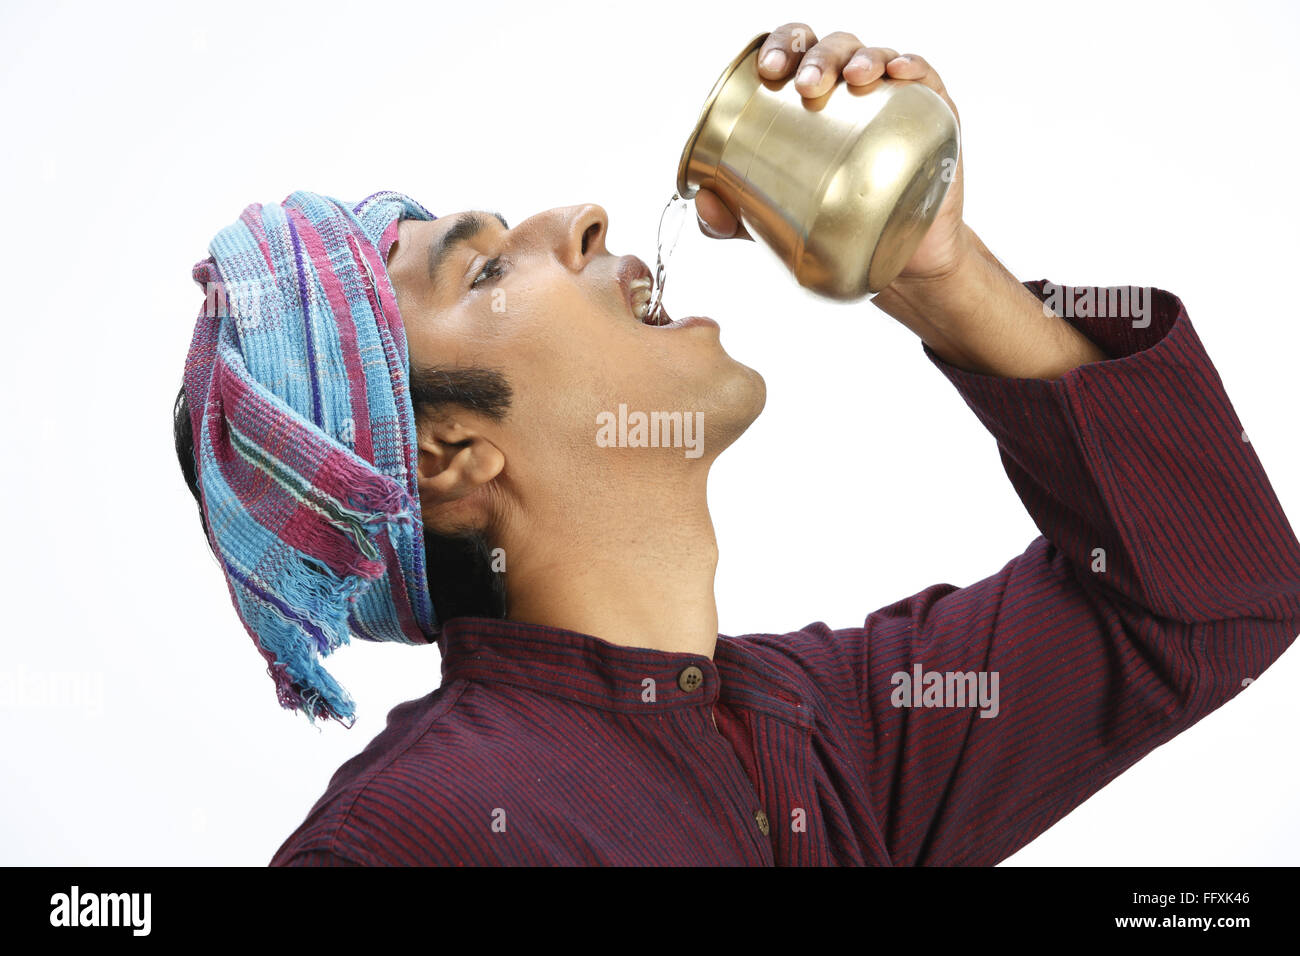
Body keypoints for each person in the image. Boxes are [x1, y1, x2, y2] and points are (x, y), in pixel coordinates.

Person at [175, 24, 1300, 865]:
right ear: (447, 452)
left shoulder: (827, 733)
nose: (581, 219)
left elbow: (1211, 602)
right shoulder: (412, 838)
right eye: (484, 272)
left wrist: (944, 277)